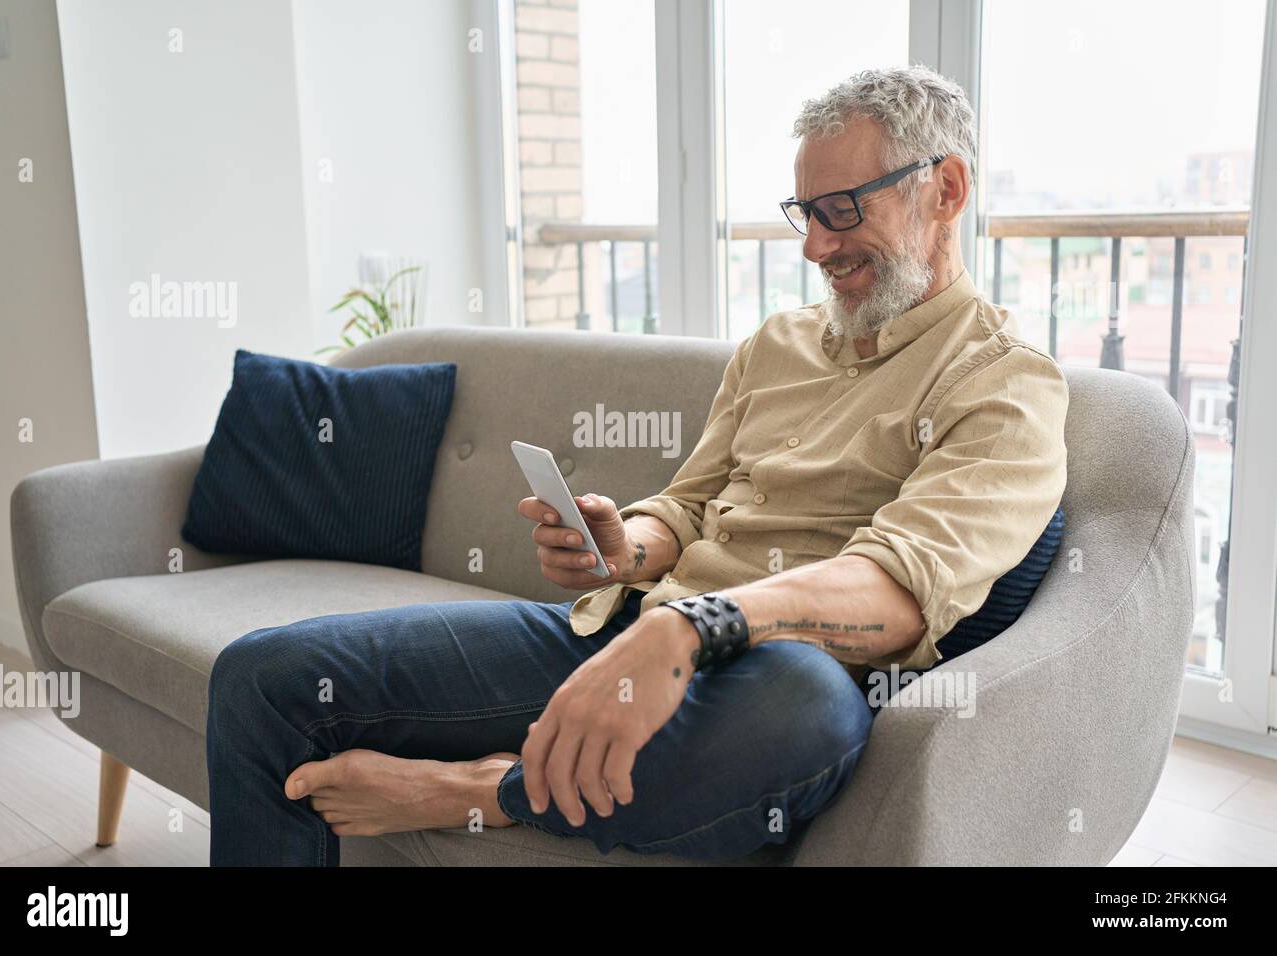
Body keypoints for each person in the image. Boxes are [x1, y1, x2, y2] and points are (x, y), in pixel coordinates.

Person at [206, 65, 1067, 865]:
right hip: (630, 631)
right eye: (804, 213)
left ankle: (479, 790)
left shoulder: (1004, 384)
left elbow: (898, 595)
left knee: (805, 709)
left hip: (760, 679)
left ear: (944, 189)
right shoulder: (778, 344)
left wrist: (696, 627)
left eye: (842, 208)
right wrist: (629, 548)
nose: (814, 247)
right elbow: (690, 507)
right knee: (262, 678)